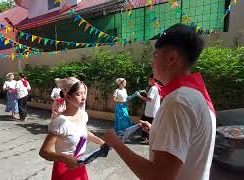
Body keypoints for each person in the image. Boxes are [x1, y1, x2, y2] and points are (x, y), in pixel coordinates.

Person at [103, 24, 216, 180]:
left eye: (155, 55)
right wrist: (155, 130)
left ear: (171, 58)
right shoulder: (196, 95)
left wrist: (116, 143)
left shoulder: (178, 102)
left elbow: (159, 176)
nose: (152, 61)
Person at [39, 77, 104, 180]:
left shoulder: (83, 115)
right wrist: (64, 158)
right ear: (68, 97)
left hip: (80, 163)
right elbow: (44, 152)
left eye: (84, 93)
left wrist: (101, 142)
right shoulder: (60, 122)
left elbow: (83, 133)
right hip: (64, 167)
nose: (83, 98)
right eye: (78, 94)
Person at [135, 74, 161, 143]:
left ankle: (149, 139)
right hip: (151, 110)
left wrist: (139, 96)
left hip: (151, 111)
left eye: (149, 79)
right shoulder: (156, 87)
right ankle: (144, 137)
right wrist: (146, 92)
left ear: (153, 80)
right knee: (144, 122)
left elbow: (149, 99)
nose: (148, 80)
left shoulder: (153, 88)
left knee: (144, 123)